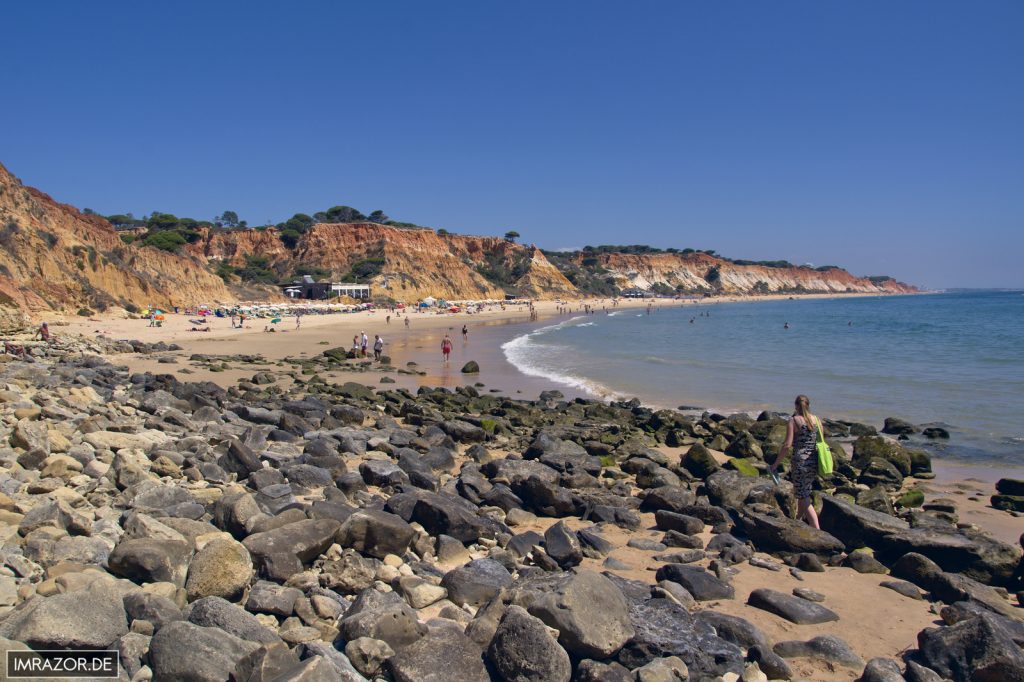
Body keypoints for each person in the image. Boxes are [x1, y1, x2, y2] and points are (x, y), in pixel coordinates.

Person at [769, 395, 822, 529]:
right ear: (808, 405)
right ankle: (797, 520)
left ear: (795, 406)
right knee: (803, 492)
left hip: (800, 463)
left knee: (804, 497)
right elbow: (819, 443)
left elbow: (787, 445)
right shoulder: (817, 420)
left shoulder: (794, 420)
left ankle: (817, 529)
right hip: (813, 462)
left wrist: (775, 465)